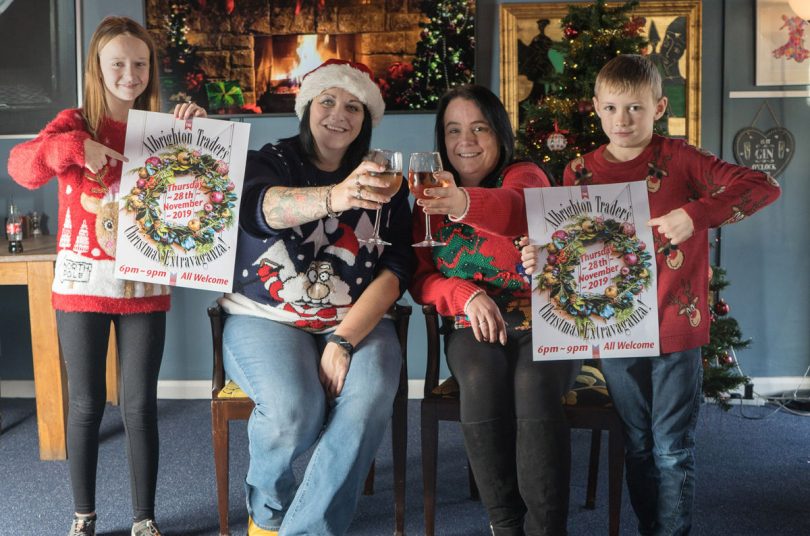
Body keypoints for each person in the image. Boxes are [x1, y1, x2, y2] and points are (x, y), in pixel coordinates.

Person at [521, 54, 781, 535]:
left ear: (659, 107)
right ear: (596, 108)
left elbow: (763, 186)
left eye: (636, 108)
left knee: (671, 447)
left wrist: (697, 214)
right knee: (639, 444)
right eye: (613, 108)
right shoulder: (576, 172)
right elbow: (568, 251)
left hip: (676, 324)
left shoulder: (680, 159)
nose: (624, 120)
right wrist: (541, 260)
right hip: (617, 330)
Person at [7, 16, 206, 536]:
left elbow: (199, 193)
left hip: (144, 286)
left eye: (139, 63)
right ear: (97, 67)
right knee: (86, 404)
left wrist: (199, 135)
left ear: (150, 69)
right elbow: (22, 166)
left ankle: (145, 520)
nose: (129, 73)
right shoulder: (73, 122)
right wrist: (74, 148)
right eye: (117, 63)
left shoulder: (165, 127)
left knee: (140, 405)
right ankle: (83, 517)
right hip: (81, 288)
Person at [219, 59, 414, 536]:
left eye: (353, 106)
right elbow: (257, 210)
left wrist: (343, 340)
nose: (339, 114)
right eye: (327, 101)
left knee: (367, 400)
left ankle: (305, 531)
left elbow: (397, 268)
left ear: (366, 120)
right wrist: (337, 198)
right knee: (293, 414)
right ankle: (265, 517)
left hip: (355, 319)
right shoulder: (271, 160)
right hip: (265, 316)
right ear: (306, 109)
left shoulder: (388, 182)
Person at [409, 84, 581, 536]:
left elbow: (517, 210)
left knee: (532, 381)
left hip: (547, 318)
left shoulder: (525, 175)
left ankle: (548, 530)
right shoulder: (428, 196)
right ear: (441, 140)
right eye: (453, 130)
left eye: (479, 127)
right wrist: (463, 293)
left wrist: (463, 204)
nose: (465, 140)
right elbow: (420, 276)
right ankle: (505, 526)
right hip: (473, 322)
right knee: (483, 376)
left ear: (500, 134)